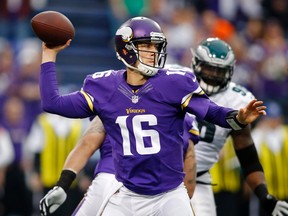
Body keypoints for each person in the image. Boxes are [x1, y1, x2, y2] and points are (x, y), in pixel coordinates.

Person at [38, 16, 265, 216]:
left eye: (156, 47)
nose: (154, 52)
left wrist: (238, 117)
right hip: (125, 193)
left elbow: (212, 112)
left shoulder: (174, 83)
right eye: (146, 46)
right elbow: (53, 103)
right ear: (126, 48)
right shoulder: (104, 86)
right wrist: (49, 54)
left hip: (169, 195)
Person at [189, 37, 288, 216]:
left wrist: (263, 195)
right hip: (160, 171)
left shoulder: (238, 100)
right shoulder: (177, 82)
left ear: (230, 71)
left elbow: (247, 155)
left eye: (218, 70)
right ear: (196, 63)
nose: (212, 75)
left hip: (199, 178)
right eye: (208, 68)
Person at [39, 110, 200, 216]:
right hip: (163, 188)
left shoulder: (113, 99)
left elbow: (87, 144)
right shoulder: (184, 118)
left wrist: (63, 183)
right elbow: (189, 182)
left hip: (111, 181)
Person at [252, 101, 288, 216]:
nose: (274, 122)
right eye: (271, 118)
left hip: (285, 189)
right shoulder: (257, 135)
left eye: (276, 118)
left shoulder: (285, 133)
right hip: (266, 192)